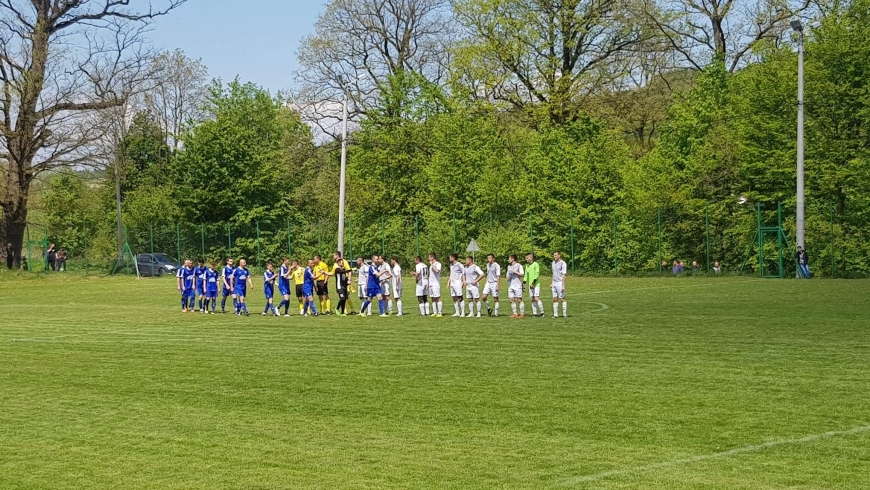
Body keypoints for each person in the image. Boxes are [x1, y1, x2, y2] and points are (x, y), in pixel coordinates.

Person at [524, 253, 544, 317]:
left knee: (536, 298)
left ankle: (542, 312)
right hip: (530, 285)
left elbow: (537, 274)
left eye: (527, 258)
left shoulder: (536, 264)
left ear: (531, 258)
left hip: (536, 284)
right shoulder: (527, 266)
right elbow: (526, 276)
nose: (526, 259)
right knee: (532, 299)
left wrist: (533, 283)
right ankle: (534, 313)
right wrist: (523, 284)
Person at [551, 252, 568, 318]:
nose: (554, 256)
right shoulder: (553, 263)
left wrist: (563, 285)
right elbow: (553, 273)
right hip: (554, 283)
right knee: (554, 298)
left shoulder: (563, 263)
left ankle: (564, 314)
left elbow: (564, 274)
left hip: (560, 283)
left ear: (559, 255)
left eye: (555, 255)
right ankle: (555, 314)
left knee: (562, 298)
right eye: (554, 255)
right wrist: (552, 283)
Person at [428, 253, 443, 317]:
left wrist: (432, 265)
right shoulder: (431, 266)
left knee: (438, 298)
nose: (428, 258)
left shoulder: (438, 264)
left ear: (433, 257)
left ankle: (440, 312)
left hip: (436, 284)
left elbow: (437, 271)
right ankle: (435, 312)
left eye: (429, 257)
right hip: (431, 284)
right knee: (432, 298)